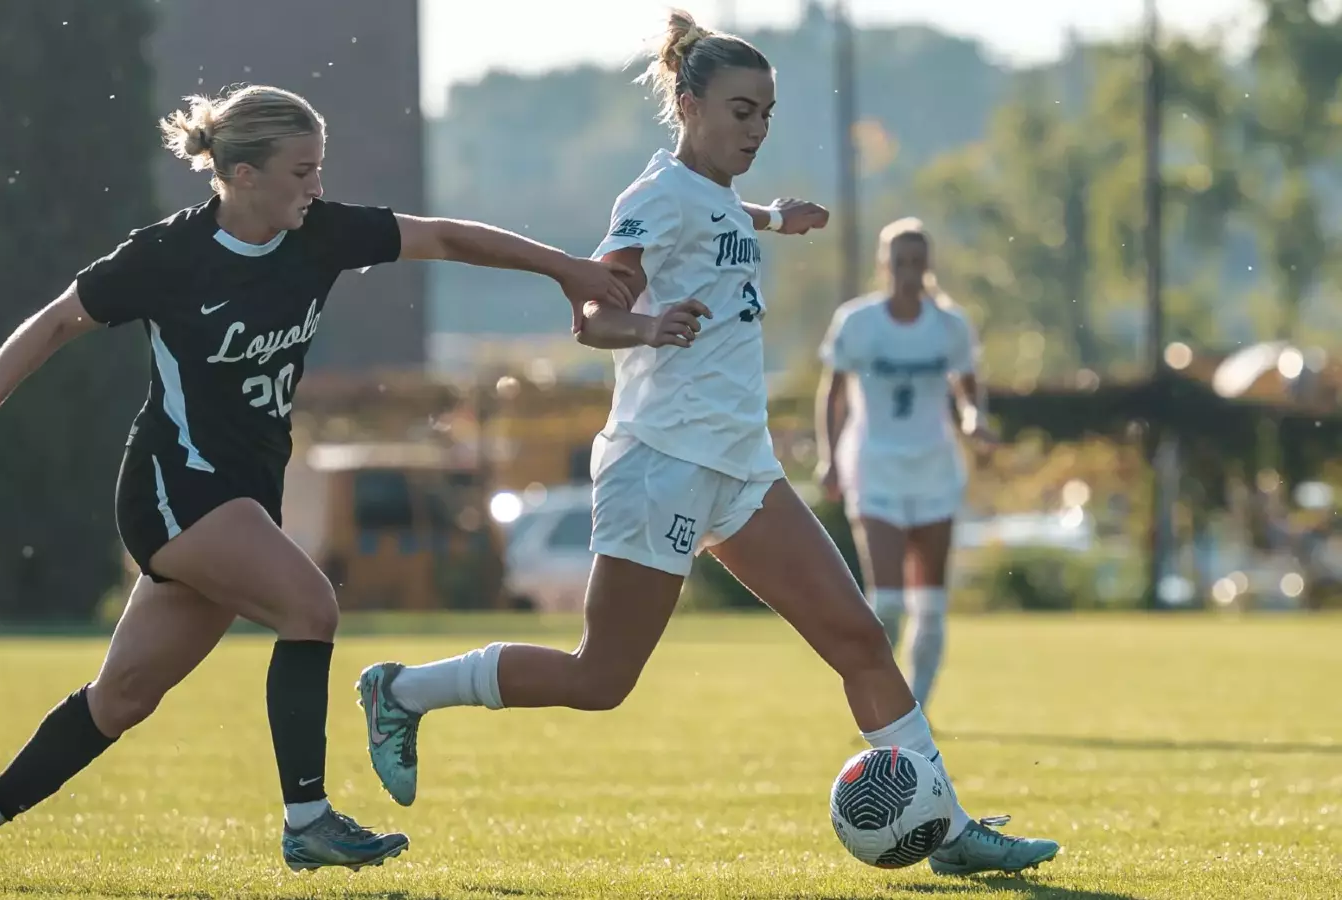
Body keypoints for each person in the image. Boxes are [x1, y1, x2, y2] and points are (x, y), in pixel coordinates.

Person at [352, 12, 1059, 877]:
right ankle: (403, 692)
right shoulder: (652, 197)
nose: (757, 130)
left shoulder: (717, 195)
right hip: (662, 463)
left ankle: (946, 830)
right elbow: (590, 316)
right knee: (600, 679)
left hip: (741, 465)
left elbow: (714, 217)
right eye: (740, 112)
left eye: (766, 113)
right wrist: (646, 326)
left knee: (861, 640)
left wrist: (770, 217)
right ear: (686, 105)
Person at [0, 83, 636, 884]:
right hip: (172, 488)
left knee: (123, 698)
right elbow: (53, 323)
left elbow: (448, 238)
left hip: (241, 498)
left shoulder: (319, 235)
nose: (316, 187)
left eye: (320, 168)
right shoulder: (166, 256)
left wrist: (567, 270)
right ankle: (308, 820)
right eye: (301, 171)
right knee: (310, 606)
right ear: (241, 175)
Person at [815, 217, 993, 715]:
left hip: (935, 469)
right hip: (875, 468)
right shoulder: (858, 322)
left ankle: (915, 710)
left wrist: (976, 420)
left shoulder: (950, 325)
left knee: (930, 606)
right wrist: (830, 458)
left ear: (928, 267)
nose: (909, 272)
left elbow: (967, 387)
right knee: (888, 601)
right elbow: (833, 391)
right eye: (900, 263)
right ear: (884, 266)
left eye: (918, 263)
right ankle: (879, 698)